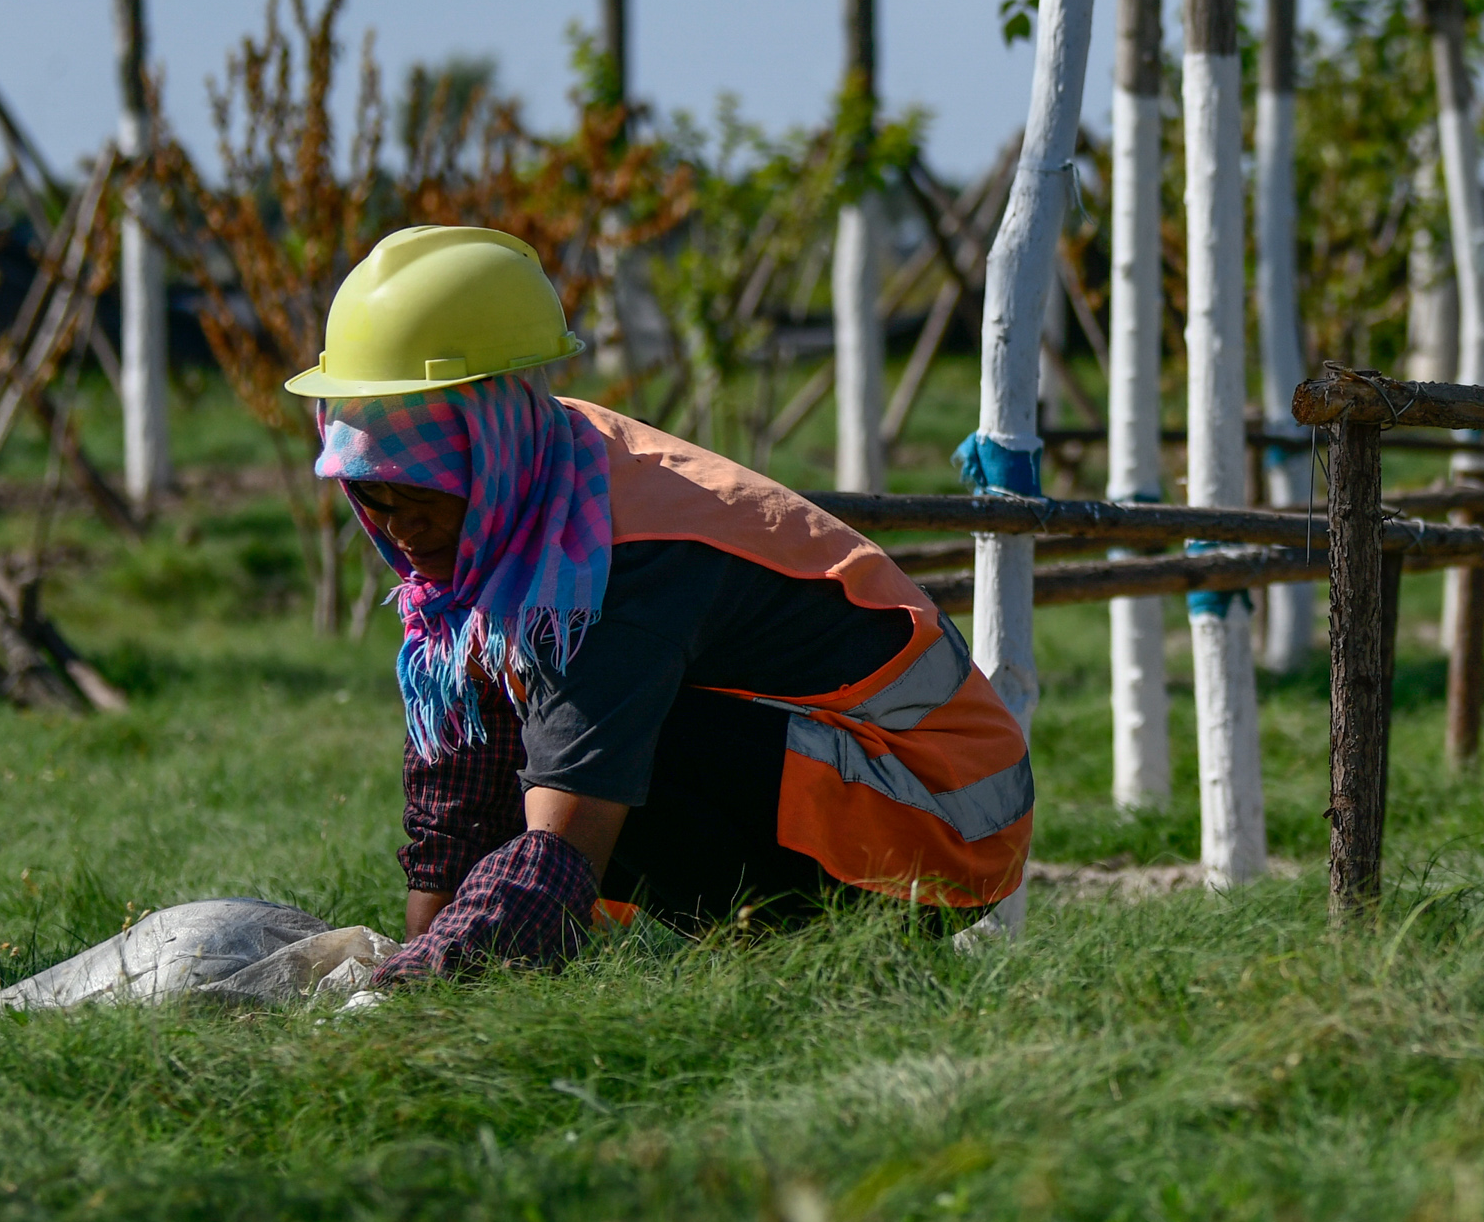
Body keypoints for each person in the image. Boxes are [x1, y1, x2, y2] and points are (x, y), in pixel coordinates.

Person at [287, 225, 1031, 979]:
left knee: (587, 745)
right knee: (530, 729)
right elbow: (459, 775)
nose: (398, 526)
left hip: (942, 819)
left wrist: (404, 992)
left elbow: (561, 850)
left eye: (423, 495)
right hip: (853, 775)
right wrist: (419, 948)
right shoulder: (537, 480)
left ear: (492, 444)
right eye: (371, 496)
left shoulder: (617, 564)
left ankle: (812, 957)